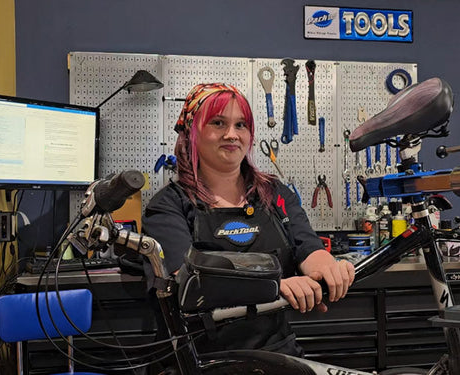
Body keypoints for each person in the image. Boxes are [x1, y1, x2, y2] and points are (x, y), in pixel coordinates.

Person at [140, 82, 356, 357]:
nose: (231, 134)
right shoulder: (168, 205)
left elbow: (307, 247)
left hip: (277, 352)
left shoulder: (274, 193)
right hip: (200, 358)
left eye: (240, 125)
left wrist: (327, 268)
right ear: (192, 133)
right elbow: (188, 282)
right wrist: (274, 287)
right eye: (218, 123)